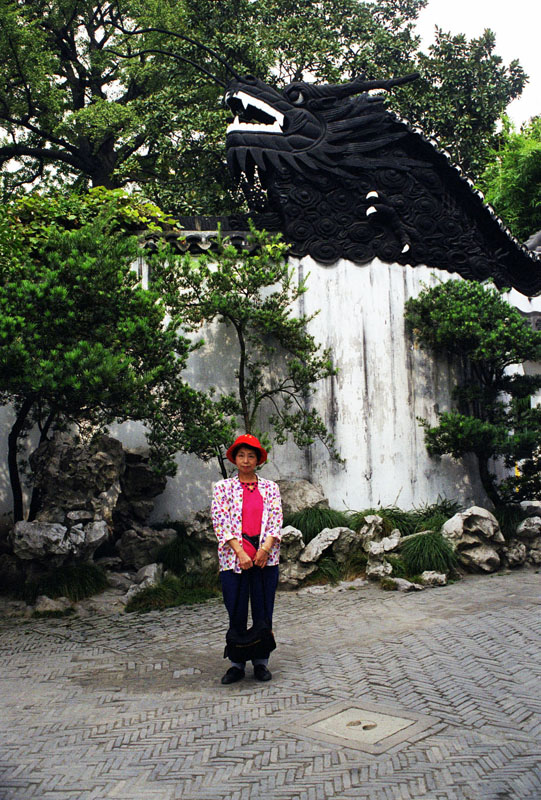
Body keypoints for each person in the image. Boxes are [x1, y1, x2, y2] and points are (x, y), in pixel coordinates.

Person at [211, 433, 283, 684]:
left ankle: (261, 661)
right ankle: (236, 663)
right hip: (234, 559)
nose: (245, 460)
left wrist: (264, 550)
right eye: (241, 455)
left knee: (264, 610)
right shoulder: (223, 488)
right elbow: (220, 522)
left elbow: (275, 520)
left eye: (250, 456)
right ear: (234, 458)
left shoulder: (270, 488)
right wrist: (240, 552)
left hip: (265, 558)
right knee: (236, 609)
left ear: (258, 459)